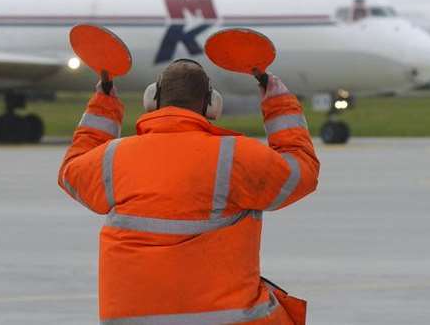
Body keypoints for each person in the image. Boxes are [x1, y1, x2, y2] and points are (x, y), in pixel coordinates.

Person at [57, 58, 320, 324]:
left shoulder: (113, 158)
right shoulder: (235, 156)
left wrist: (103, 105)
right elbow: (302, 174)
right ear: (211, 105)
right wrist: (279, 104)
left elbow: (71, 172)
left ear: (153, 100)